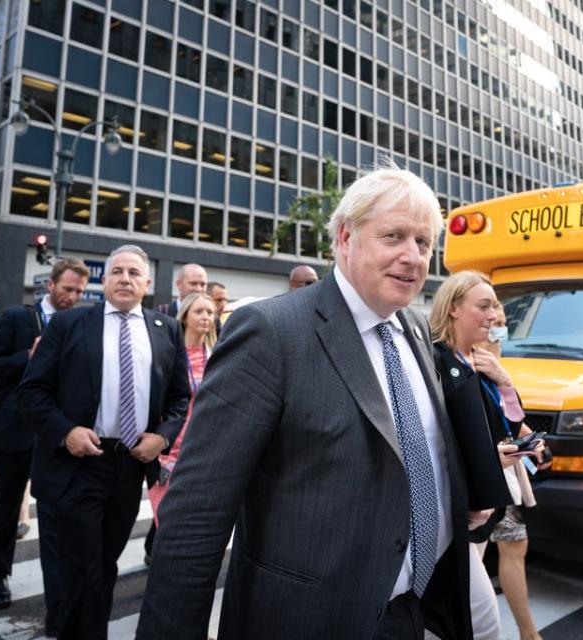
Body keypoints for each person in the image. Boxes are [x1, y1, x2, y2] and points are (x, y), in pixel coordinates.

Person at [137, 165, 478, 640]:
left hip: (409, 615)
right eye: (394, 236)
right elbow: (197, 513)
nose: (412, 256)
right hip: (301, 620)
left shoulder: (416, 329)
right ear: (344, 238)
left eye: (423, 243)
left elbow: (413, 450)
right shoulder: (271, 332)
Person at [17, 245, 189, 639]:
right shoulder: (70, 325)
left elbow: (180, 397)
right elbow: (32, 392)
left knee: (105, 563)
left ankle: (69, 627)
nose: (125, 278)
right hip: (78, 463)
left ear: (147, 283)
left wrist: (161, 437)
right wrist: (66, 432)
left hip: (128, 466)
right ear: (105, 280)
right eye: (117, 272)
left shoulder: (166, 331)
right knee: (84, 567)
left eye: (133, 273)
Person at [429, 271, 547, 640]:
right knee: (481, 621)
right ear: (452, 309)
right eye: (484, 306)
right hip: (454, 512)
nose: (495, 315)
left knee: (454, 615)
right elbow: (436, 443)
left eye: (495, 306)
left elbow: (508, 425)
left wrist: (505, 383)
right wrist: (488, 460)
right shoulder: (434, 362)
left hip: (484, 507)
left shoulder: (480, 361)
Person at [0, 259, 88, 632]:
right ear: (50, 284)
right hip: (14, 428)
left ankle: (60, 601)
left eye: (80, 291)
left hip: (57, 432)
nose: (73, 297)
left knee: (57, 515)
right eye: (68, 289)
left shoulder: (79, 324)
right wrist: (27, 357)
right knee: (6, 508)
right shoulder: (18, 318)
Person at [480, 306, 543, 640]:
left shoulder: (493, 358)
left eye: (503, 322)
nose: (499, 327)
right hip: (489, 472)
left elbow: (512, 419)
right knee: (488, 552)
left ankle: (527, 632)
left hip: (504, 468)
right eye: (495, 321)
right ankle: (526, 632)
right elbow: (506, 419)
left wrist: (531, 440)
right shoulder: (477, 360)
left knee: (511, 546)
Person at [148, 293, 216, 525]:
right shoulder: (169, 354)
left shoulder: (218, 354)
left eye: (210, 312)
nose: (206, 316)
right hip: (171, 445)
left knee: (192, 522)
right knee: (166, 519)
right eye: (199, 311)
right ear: (185, 317)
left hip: (205, 446)